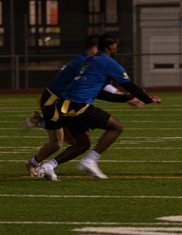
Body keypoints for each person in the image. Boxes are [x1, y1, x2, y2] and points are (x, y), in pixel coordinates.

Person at [40, 33, 160, 180]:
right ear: (110, 46)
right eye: (115, 45)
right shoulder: (107, 62)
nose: (117, 48)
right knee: (116, 127)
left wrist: (126, 98)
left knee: (83, 144)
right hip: (78, 105)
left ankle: (48, 166)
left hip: (66, 105)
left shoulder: (89, 61)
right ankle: (90, 161)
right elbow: (129, 85)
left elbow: (101, 94)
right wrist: (147, 99)